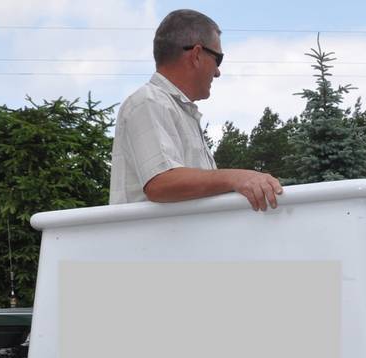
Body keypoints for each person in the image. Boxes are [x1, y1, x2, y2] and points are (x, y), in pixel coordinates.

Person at [110, 9, 282, 211]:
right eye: (218, 59)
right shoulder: (148, 102)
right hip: (153, 242)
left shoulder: (175, 110)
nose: (218, 72)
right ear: (197, 55)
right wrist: (238, 177)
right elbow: (160, 183)